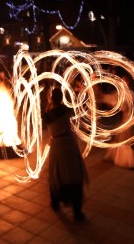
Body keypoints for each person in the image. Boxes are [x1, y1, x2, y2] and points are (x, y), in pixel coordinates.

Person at [43, 87, 89, 222]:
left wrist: (49, 103)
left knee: (56, 173)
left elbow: (48, 113)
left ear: (51, 98)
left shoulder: (47, 114)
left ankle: (55, 202)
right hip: (69, 143)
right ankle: (77, 211)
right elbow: (79, 108)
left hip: (57, 145)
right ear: (62, 98)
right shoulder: (66, 110)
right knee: (74, 174)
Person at [103, 74, 134, 169]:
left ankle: (132, 162)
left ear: (128, 83)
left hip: (131, 119)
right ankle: (130, 161)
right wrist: (107, 99)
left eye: (124, 81)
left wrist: (113, 102)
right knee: (124, 138)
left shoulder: (129, 93)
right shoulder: (125, 93)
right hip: (129, 118)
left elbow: (124, 106)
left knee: (128, 139)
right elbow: (116, 101)